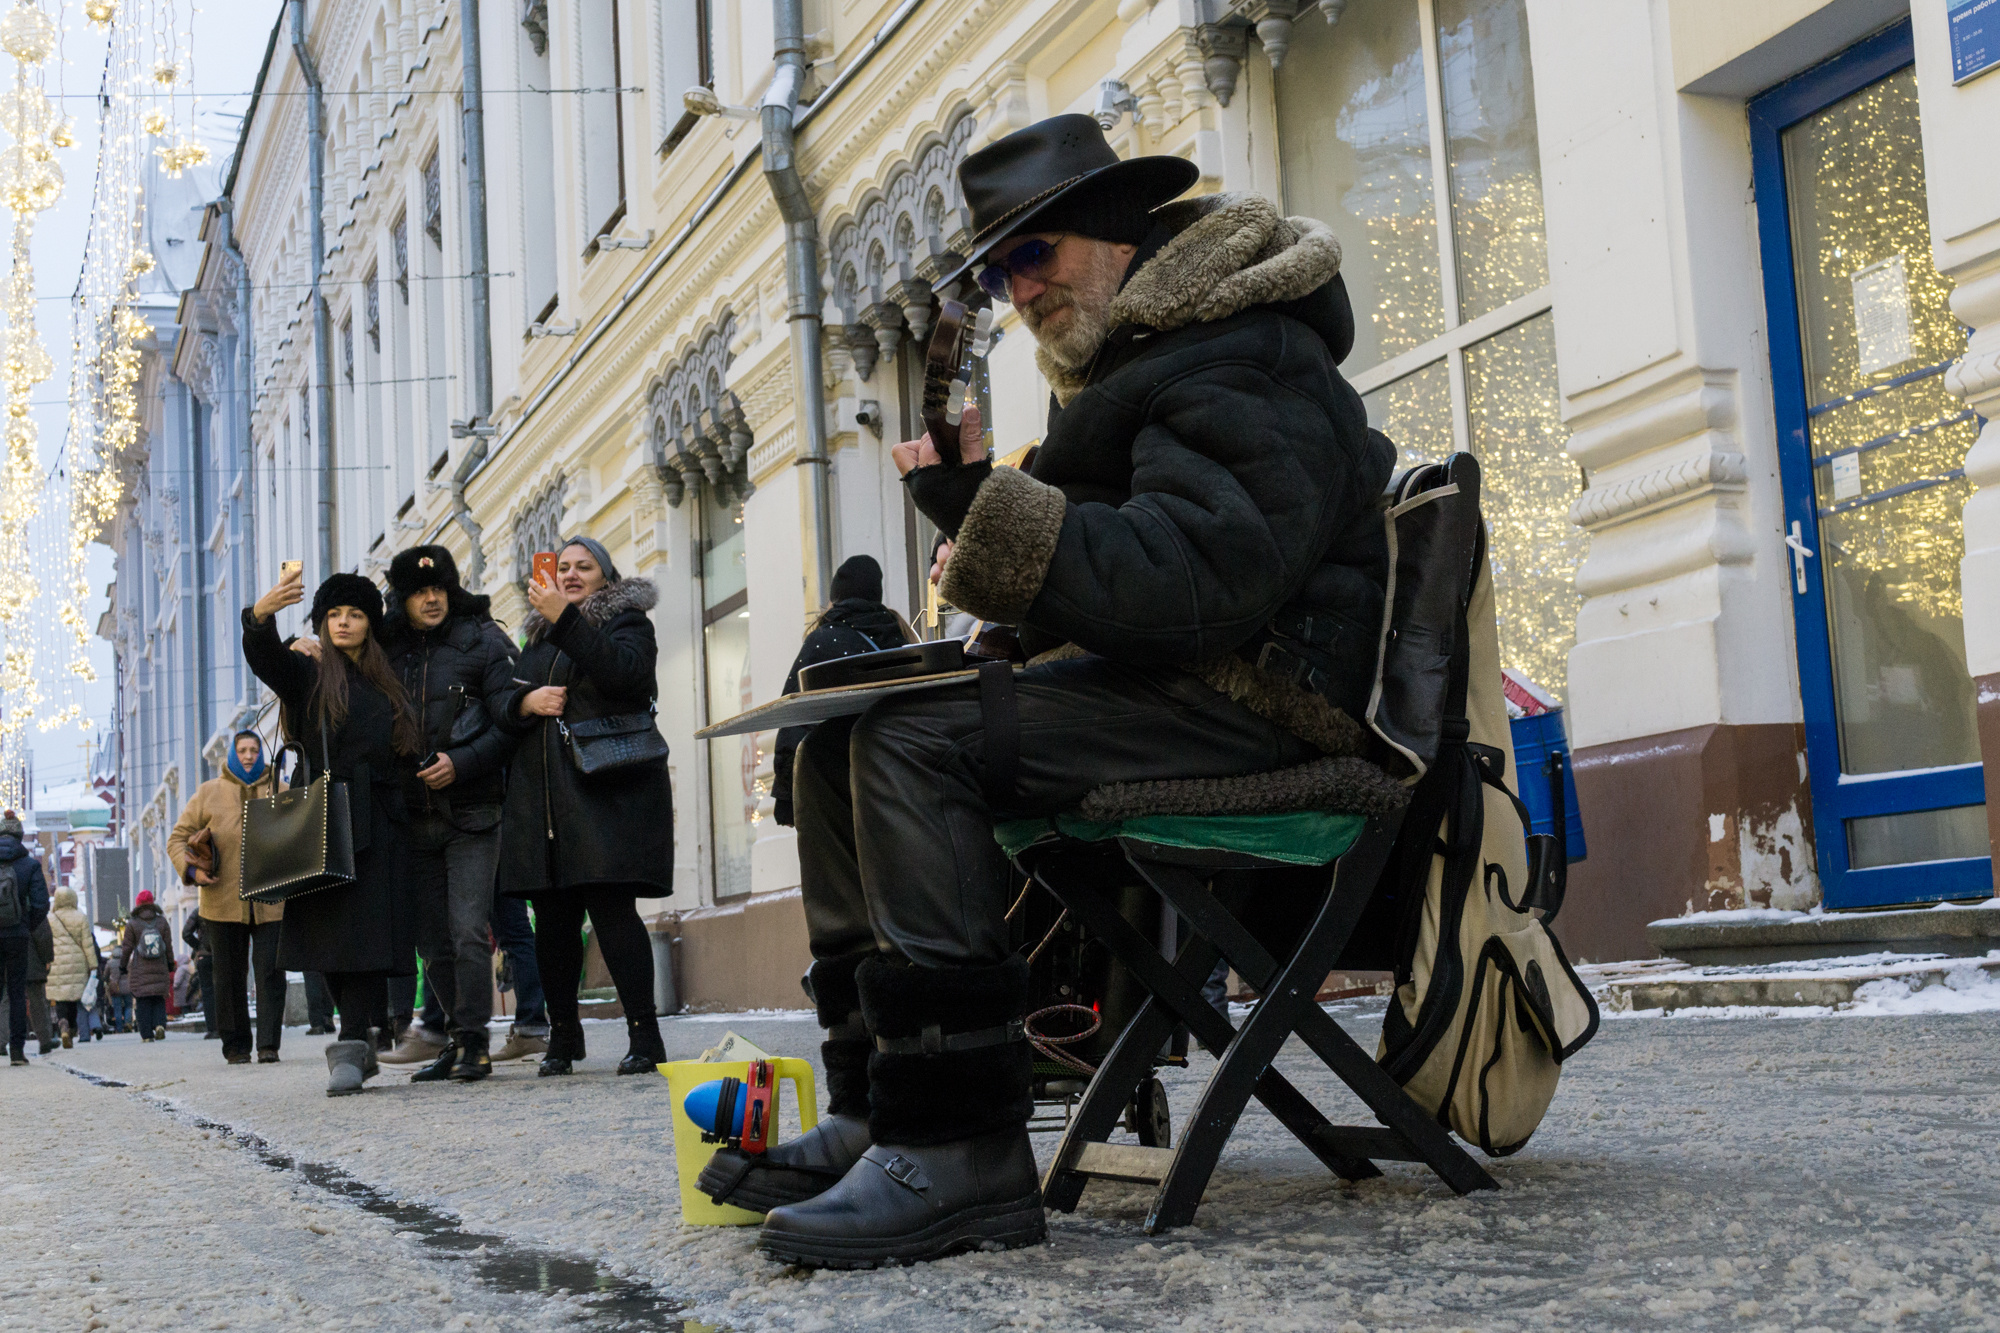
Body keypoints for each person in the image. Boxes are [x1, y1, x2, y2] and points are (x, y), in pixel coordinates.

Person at [729, 116, 1390, 1268]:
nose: (1015, 289)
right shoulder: (1152, 362)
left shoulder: (1240, 351)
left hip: (1256, 708)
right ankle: (878, 1112)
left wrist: (1000, 518)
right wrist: (976, 499)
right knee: (837, 737)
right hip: (1176, 685)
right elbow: (1125, 559)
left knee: (908, 742)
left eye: (1034, 255)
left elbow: (1197, 582)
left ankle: (961, 1154)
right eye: (995, 271)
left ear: (1120, 235)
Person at [243, 566, 422, 1096]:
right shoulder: (308, 670)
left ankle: (351, 1044)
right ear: (321, 622)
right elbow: (266, 659)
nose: (344, 623)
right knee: (326, 939)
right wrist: (262, 615)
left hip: (381, 821)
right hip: (324, 817)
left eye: (356, 615)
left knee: (366, 938)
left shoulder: (387, 678)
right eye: (335, 615)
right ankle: (356, 1041)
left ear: (371, 623)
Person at [495, 537, 671, 1077]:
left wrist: (565, 621)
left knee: (613, 913)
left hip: (604, 795)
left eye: (583, 567)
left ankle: (645, 1035)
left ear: (604, 575)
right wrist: (523, 702)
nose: (570, 574)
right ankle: (564, 1036)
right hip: (545, 804)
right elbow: (504, 700)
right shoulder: (538, 635)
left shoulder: (627, 621)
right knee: (552, 923)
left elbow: (624, 674)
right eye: (563, 567)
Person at [374, 545, 520, 1084]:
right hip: (411, 817)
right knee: (431, 942)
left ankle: (476, 1042)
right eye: (418, 592)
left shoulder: (481, 639)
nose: (431, 599)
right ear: (402, 598)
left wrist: (461, 763)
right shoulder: (384, 648)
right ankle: (454, 1039)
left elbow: (510, 720)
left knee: (465, 931)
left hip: (474, 811)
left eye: (438, 589)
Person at [769, 555, 918, 828]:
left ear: (835, 598)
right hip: (899, 778)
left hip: (838, 783)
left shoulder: (824, 641)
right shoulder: (902, 638)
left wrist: (786, 796)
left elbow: (795, 716)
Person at [168, 730, 286, 1065]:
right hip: (222, 901)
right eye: (242, 750)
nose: (249, 756)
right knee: (228, 976)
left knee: (269, 973)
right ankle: (235, 1047)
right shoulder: (209, 793)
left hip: (271, 901)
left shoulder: (279, 788)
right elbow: (176, 840)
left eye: (254, 750)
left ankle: (268, 1046)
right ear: (232, 755)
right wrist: (193, 872)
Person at [0, 811, 49, 1065]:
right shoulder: (30, 865)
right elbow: (41, 904)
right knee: (18, 992)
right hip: (17, 937)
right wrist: (25, 925)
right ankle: (17, 1052)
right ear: (19, 835)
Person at [119, 890, 175, 1042]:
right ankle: (159, 1025)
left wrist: (122, 966)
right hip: (160, 966)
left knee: (143, 1002)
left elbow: (127, 948)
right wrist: (171, 964)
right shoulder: (162, 922)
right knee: (158, 999)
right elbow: (168, 946)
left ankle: (147, 1036)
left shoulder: (133, 924)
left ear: (138, 905)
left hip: (140, 970)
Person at [47, 886, 98, 1048]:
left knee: (61, 999)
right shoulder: (80, 917)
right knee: (76, 1000)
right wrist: (93, 966)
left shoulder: (50, 919)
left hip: (56, 964)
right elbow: (87, 945)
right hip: (77, 964)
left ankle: (63, 1026)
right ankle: (74, 1029)